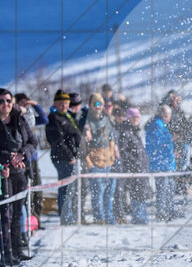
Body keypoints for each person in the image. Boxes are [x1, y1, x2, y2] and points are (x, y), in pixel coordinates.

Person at [0, 88, 36, 264]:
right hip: (3, 175)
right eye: (1, 101)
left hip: (21, 172)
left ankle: (16, 250)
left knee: (16, 215)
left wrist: (22, 154)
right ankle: (5, 253)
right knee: (5, 215)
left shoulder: (19, 120)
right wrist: (8, 157)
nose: (5, 104)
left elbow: (32, 142)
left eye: (8, 101)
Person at [46, 90, 82, 225]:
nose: (64, 105)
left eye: (66, 103)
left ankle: (70, 216)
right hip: (63, 158)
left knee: (71, 189)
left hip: (71, 157)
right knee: (66, 188)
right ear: (55, 103)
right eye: (60, 103)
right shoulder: (54, 119)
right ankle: (66, 217)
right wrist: (69, 157)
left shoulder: (66, 116)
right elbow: (58, 142)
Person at [82, 93, 118, 225]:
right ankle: (99, 218)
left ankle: (109, 217)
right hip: (95, 162)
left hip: (107, 161)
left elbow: (111, 139)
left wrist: (113, 156)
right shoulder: (86, 121)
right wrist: (88, 162)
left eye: (101, 104)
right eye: (96, 104)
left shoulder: (106, 119)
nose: (99, 107)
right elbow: (83, 145)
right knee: (97, 193)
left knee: (109, 194)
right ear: (91, 106)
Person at [14, 93, 47, 224]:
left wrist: (35, 105)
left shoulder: (30, 117)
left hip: (33, 158)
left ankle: (35, 219)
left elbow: (44, 119)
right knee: (27, 192)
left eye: (26, 103)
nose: (24, 106)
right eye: (21, 103)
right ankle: (28, 221)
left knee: (37, 190)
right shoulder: (15, 119)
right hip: (22, 159)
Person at [117, 108, 152, 224]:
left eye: (137, 117)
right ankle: (139, 218)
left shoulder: (135, 131)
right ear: (128, 118)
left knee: (141, 194)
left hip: (140, 170)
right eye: (133, 117)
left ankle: (142, 217)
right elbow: (123, 151)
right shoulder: (126, 131)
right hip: (133, 170)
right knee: (137, 194)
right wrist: (135, 163)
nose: (136, 119)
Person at [146, 105, 177, 221]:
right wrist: (171, 138)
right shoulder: (156, 125)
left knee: (169, 188)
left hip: (167, 163)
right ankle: (162, 213)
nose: (170, 118)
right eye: (169, 116)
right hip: (161, 164)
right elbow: (156, 143)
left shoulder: (162, 126)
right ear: (164, 115)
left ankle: (170, 211)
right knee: (162, 190)